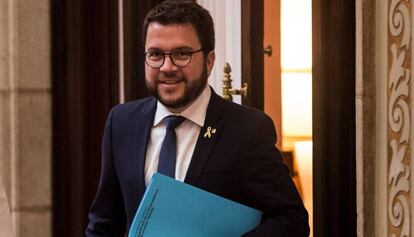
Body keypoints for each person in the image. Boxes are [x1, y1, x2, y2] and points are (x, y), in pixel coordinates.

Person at [86, 1, 309, 236]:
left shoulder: (247, 130)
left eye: (182, 54)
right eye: (156, 54)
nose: (167, 67)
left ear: (209, 61)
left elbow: (291, 220)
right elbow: (104, 223)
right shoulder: (121, 122)